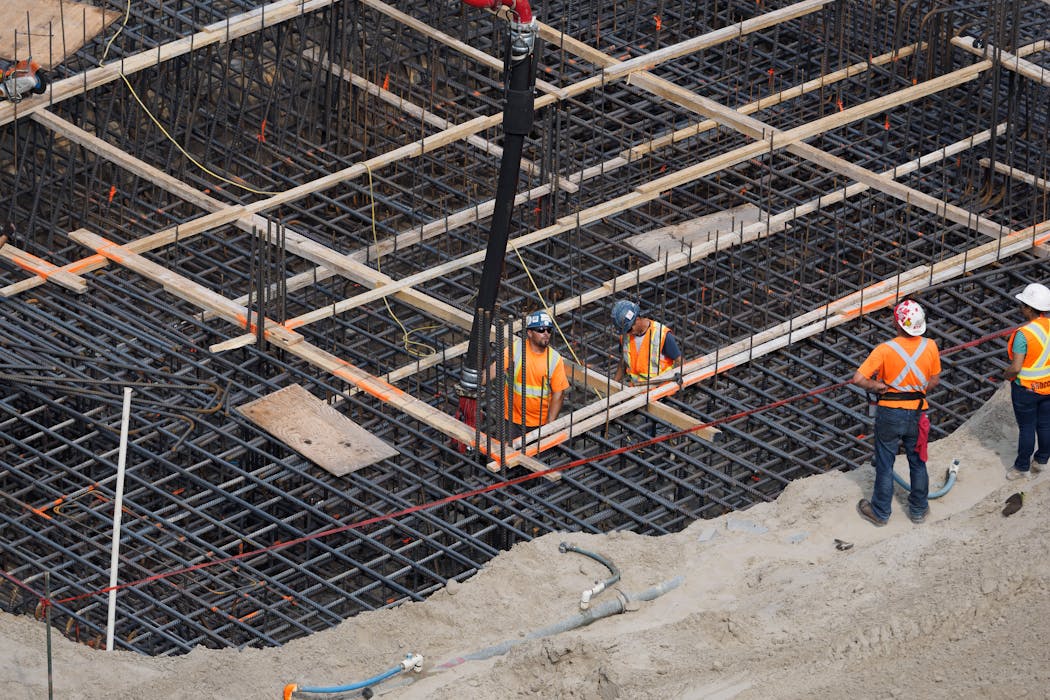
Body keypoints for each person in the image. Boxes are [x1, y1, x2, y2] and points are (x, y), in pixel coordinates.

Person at [851, 300, 941, 526]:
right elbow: (933, 381)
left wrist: (877, 387)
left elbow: (858, 379)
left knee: (885, 462)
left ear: (897, 323)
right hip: (918, 412)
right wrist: (915, 390)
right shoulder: (930, 346)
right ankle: (918, 510)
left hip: (890, 412)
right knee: (918, 461)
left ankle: (881, 513)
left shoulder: (885, 349)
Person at [486, 310, 569, 438]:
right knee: (506, 455)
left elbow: (559, 393)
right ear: (529, 333)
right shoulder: (516, 349)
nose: (546, 333)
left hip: (538, 423)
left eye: (548, 330)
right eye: (541, 330)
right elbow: (494, 370)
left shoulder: (554, 359)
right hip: (511, 419)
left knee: (535, 457)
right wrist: (473, 381)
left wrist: (550, 425)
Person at [1002, 282, 1050, 480]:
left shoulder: (1024, 334)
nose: (1021, 309)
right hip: (1048, 386)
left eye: (1022, 305)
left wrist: (1006, 376)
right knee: (1046, 425)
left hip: (1026, 390)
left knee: (1027, 428)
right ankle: (1041, 461)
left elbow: (1016, 367)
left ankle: (1021, 467)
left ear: (1030, 308)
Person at [610, 300, 682, 385]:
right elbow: (623, 360)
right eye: (625, 331)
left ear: (637, 320)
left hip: (661, 389)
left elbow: (680, 361)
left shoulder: (661, 334)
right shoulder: (625, 336)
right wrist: (613, 383)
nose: (628, 333)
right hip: (637, 389)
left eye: (629, 329)